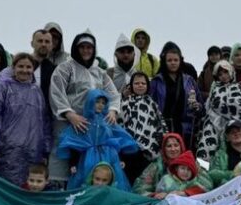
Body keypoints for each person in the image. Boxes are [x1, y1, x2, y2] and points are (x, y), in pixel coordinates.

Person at [49, 30, 121, 186]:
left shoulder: (99, 72)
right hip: (68, 122)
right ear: (76, 48)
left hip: (92, 127)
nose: (86, 50)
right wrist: (70, 115)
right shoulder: (65, 68)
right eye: (82, 47)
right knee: (64, 160)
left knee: (89, 165)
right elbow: (56, 92)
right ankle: (59, 193)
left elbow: (114, 94)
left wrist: (113, 111)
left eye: (89, 47)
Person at [0, 53, 51, 187]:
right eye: (20, 66)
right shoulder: (1, 88)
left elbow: (44, 122)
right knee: (6, 188)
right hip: (6, 152)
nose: (25, 70)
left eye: (28, 67)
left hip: (33, 152)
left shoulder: (37, 92)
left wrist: (45, 150)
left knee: (29, 189)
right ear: (13, 68)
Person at [56, 90, 139, 190]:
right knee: (87, 179)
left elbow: (115, 140)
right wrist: (73, 163)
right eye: (97, 102)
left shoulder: (107, 120)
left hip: (109, 157)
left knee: (112, 180)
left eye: (103, 103)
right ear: (90, 102)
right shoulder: (83, 121)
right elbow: (75, 142)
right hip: (88, 158)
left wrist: (121, 159)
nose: (100, 105)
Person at [197, 60, 241, 161]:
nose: (223, 76)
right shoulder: (215, 91)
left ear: (231, 71)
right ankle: (205, 173)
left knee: (240, 157)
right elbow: (211, 111)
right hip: (216, 129)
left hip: (238, 129)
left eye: (225, 72)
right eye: (220, 74)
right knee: (209, 154)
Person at [149, 42, 203, 147]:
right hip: (162, 129)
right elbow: (150, 106)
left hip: (185, 130)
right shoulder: (156, 81)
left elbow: (201, 106)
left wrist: (197, 107)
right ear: (164, 62)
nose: (173, 63)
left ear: (180, 61)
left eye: (175, 60)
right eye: (169, 60)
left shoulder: (189, 81)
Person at [120, 71, 167, 183]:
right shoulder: (125, 102)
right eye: (136, 83)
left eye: (143, 83)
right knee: (130, 177)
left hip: (150, 149)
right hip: (130, 149)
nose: (140, 85)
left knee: (146, 179)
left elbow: (160, 123)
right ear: (131, 86)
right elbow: (120, 124)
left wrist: (164, 138)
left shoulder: (152, 103)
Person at [135, 132, 213, 197]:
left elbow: (208, 185)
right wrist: (155, 195)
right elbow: (139, 188)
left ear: (181, 146)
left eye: (176, 145)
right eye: (169, 146)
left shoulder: (194, 163)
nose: (173, 149)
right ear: (164, 149)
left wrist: (185, 193)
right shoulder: (155, 166)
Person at [209, 120, 241, 187]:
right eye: (232, 132)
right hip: (230, 190)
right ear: (227, 137)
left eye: (239, 130)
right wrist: (232, 174)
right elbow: (212, 174)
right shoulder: (220, 154)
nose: (236, 133)